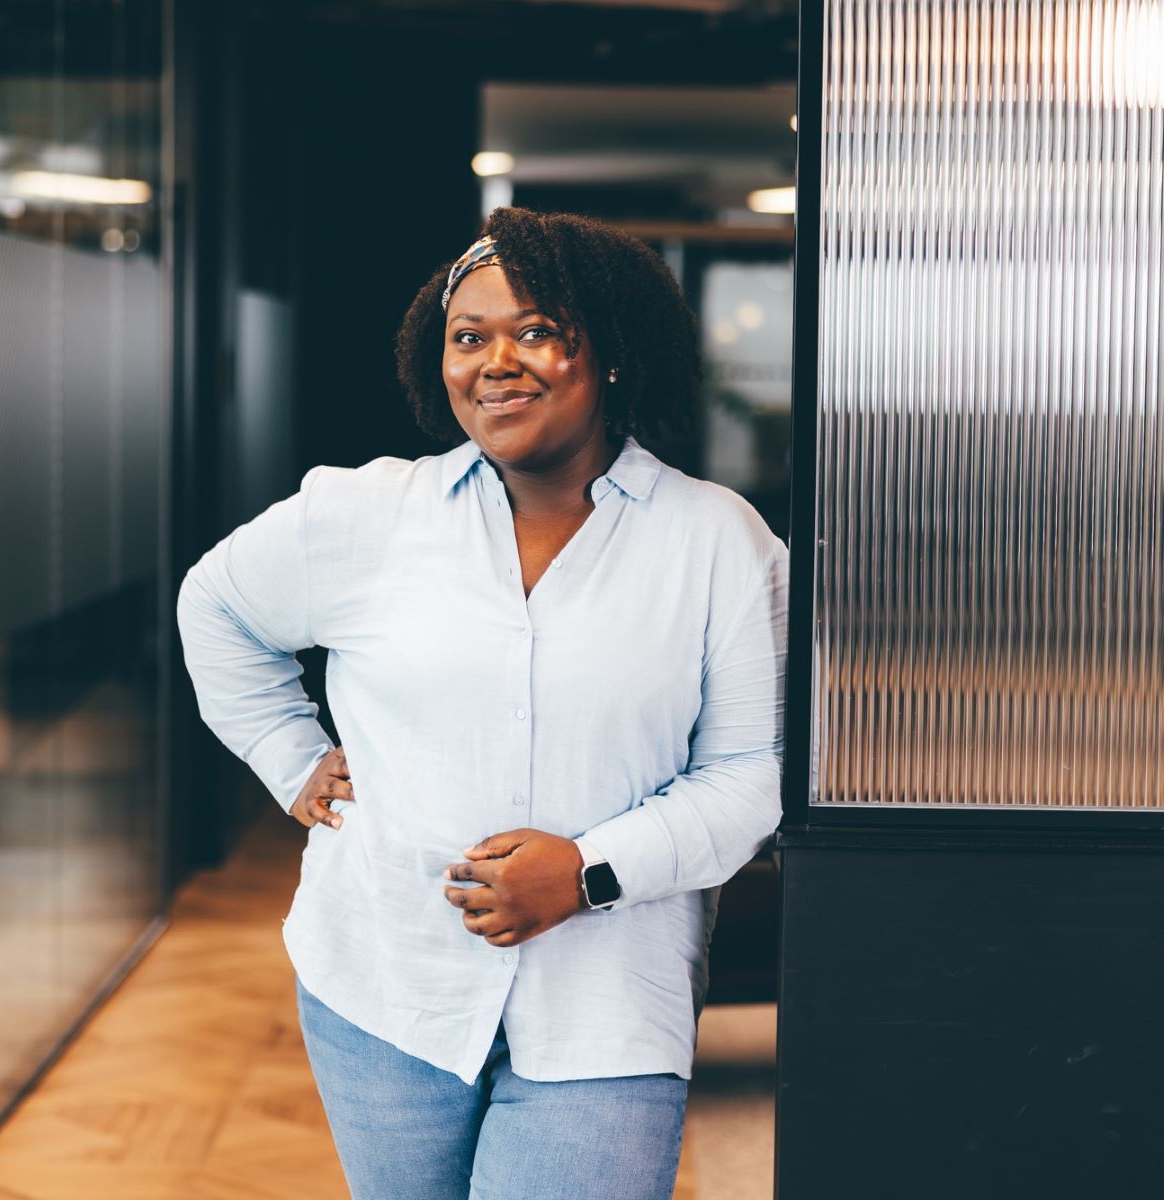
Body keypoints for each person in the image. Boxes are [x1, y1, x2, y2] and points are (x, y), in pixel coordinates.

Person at [176, 206, 788, 1200]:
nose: (497, 361)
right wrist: (290, 757)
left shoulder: (720, 544)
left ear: (613, 353)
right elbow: (215, 605)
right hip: (382, 981)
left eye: (537, 330)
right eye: (470, 336)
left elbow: (752, 770)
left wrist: (588, 873)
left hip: (607, 1008)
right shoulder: (365, 516)